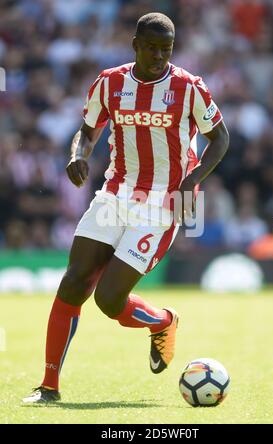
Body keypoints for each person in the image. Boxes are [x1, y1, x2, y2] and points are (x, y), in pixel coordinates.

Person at [23, 12, 229, 403]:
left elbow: (220, 139)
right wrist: (77, 155)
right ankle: (49, 387)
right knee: (73, 282)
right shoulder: (111, 82)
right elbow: (87, 130)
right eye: (151, 48)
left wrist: (193, 178)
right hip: (115, 193)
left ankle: (163, 321)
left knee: (108, 300)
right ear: (135, 44)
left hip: (163, 203)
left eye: (165, 50)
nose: (158, 56)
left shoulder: (188, 87)